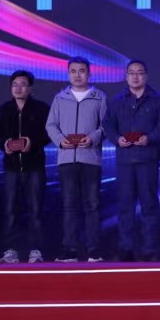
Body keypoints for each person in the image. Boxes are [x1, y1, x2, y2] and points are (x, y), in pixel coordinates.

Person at [103, 59, 160, 262]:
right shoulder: (117, 101)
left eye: (139, 72)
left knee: (149, 206)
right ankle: (126, 249)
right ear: (126, 77)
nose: (135, 76)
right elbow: (108, 126)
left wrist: (149, 138)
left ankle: (150, 249)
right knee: (125, 207)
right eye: (131, 73)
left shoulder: (158, 99)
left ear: (146, 76)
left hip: (148, 159)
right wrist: (117, 139)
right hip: (125, 161)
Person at [46, 57, 107, 262]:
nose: (77, 75)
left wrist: (93, 138)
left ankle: (94, 249)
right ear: (68, 74)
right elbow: (51, 125)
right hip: (66, 159)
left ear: (89, 74)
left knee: (92, 205)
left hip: (91, 159)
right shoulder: (60, 98)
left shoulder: (100, 97)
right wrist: (60, 141)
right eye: (73, 71)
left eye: (82, 71)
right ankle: (69, 249)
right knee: (69, 205)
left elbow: (106, 125)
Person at [0, 70, 50, 264]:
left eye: (23, 84)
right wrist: (4, 144)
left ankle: (36, 250)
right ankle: (11, 250)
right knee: (11, 210)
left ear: (31, 88)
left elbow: (47, 135)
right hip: (11, 167)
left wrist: (31, 142)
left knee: (36, 210)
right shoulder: (4, 109)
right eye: (15, 84)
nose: (18, 88)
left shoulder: (41, 109)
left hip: (34, 166)